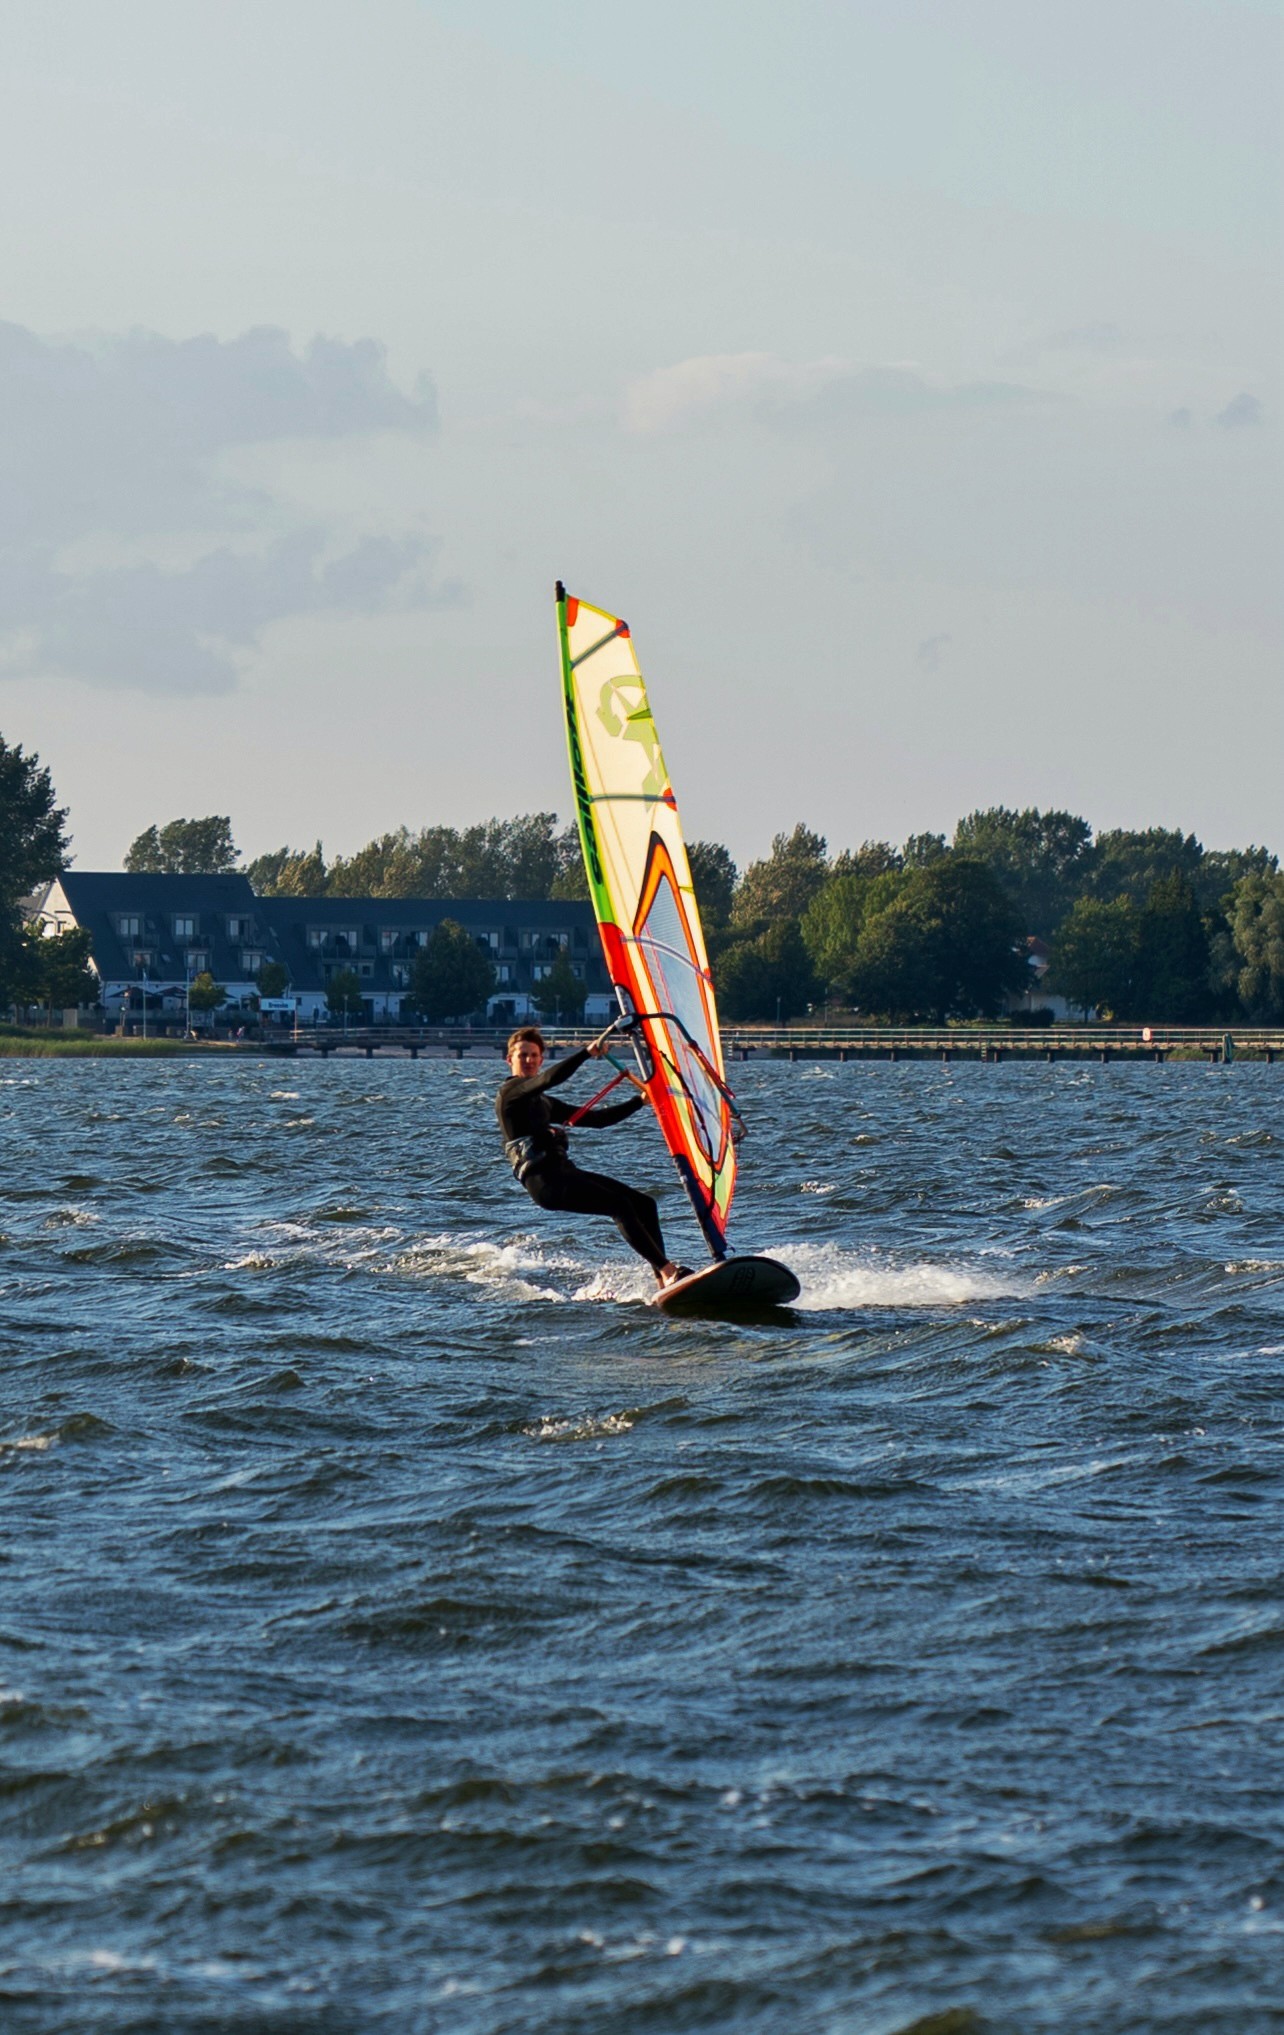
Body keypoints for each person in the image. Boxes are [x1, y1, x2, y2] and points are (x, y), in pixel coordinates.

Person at [496, 1023, 691, 1289]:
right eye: (522, 1055)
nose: (528, 1060)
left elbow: (598, 1119)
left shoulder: (544, 1103)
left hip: (564, 1173)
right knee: (620, 1205)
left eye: (533, 1055)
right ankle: (669, 1271)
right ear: (510, 1060)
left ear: (541, 1059)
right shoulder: (511, 1093)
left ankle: (663, 1279)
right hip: (545, 1183)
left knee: (645, 1205)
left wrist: (639, 1102)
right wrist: (586, 1053)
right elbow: (548, 1079)